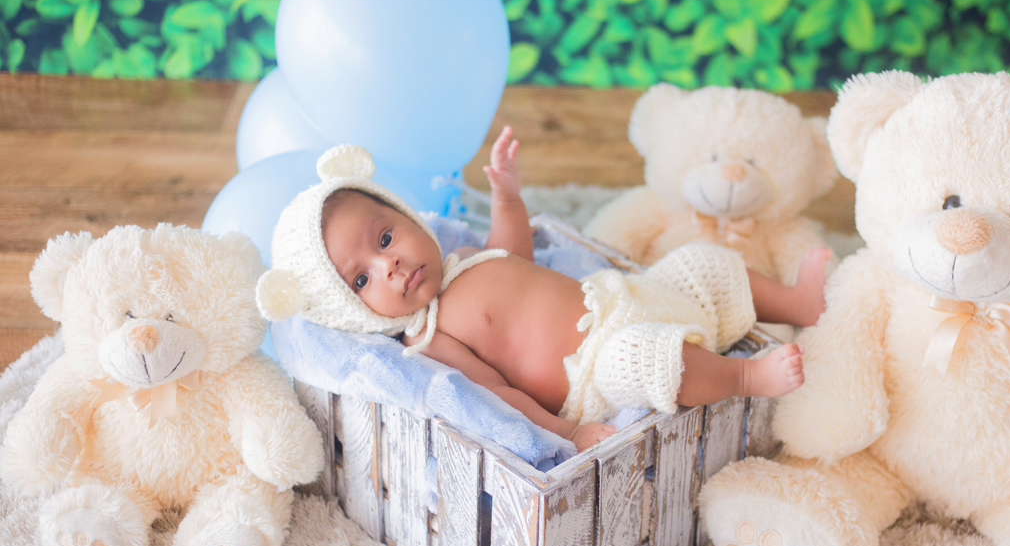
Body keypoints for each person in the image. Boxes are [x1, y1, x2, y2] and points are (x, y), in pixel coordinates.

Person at [259, 128, 830, 452]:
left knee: (703, 265)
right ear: (353, 313)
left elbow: (515, 253)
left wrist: (507, 195)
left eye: (386, 236)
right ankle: (747, 376)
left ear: (407, 215)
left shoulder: (462, 257)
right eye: (361, 280)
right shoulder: (429, 338)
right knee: (659, 361)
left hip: (622, 298)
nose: (389, 265)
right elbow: (495, 396)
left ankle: (795, 302)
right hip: (593, 369)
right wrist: (569, 431)